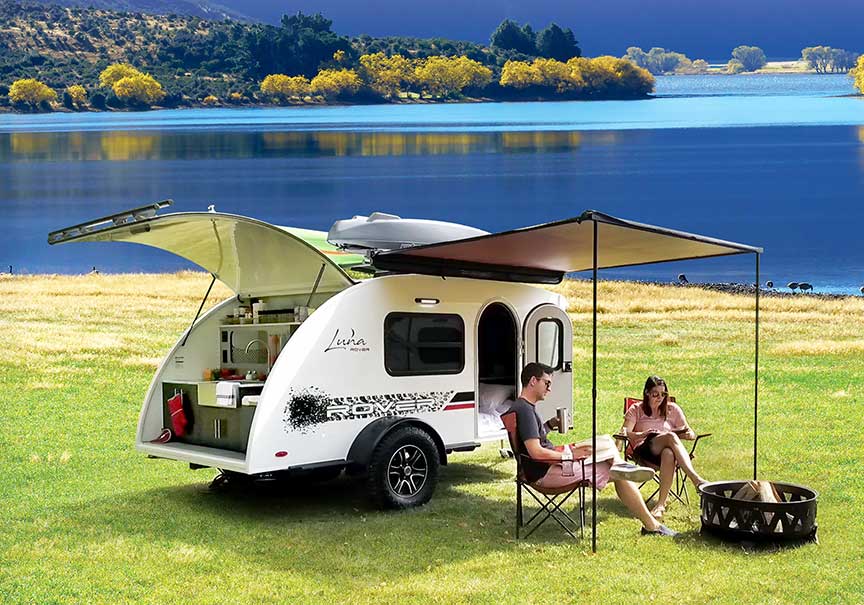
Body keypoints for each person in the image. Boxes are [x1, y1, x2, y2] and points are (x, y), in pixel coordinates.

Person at [511, 362, 679, 537]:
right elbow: (536, 452)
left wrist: (550, 424)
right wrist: (569, 455)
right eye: (547, 383)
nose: (549, 388)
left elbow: (533, 440)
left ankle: (620, 465)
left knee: (604, 440)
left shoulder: (523, 407)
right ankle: (652, 526)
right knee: (615, 472)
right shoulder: (525, 411)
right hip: (547, 473)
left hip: (545, 466)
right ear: (532, 381)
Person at [622, 375, 707, 519]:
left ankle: (660, 505)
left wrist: (687, 435)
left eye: (663, 394)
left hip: (666, 452)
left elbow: (690, 432)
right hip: (644, 449)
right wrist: (643, 434)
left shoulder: (672, 409)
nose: (660, 398)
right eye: (655, 394)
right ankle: (696, 479)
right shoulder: (636, 409)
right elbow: (624, 433)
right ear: (647, 393)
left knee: (668, 453)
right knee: (670, 437)